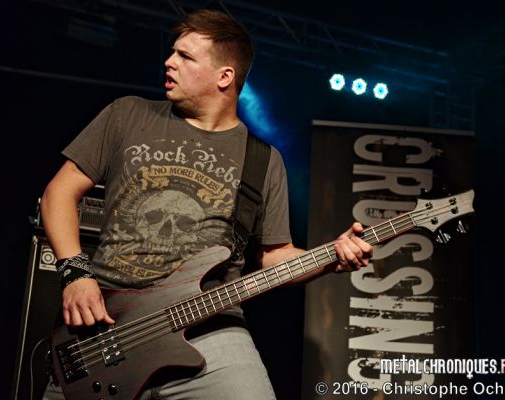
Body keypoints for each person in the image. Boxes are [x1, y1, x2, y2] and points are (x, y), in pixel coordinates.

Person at [40, 9, 373, 400]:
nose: (169, 61)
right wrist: (76, 274)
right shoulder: (127, 114)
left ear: (224, 77)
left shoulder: (263, 160)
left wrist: (330, 257)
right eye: (172, 52)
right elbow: (59, 193)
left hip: (210, 325)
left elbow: (275, 255)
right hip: (109, 320)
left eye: (185, 56)